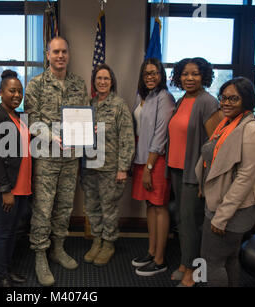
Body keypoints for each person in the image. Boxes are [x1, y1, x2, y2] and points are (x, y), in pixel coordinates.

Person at [24, 36, 89, 286]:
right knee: (43, 208)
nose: (60, 56)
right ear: (47, 54)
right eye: (56, 52)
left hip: (70, 158)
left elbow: (82, 114)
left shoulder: (78, 84)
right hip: (46, 158)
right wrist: (53, 137)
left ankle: (58, 248)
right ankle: (40, 254)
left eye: (64, 51)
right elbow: (32, 118)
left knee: (64, 206)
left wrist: (88, 130)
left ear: (68, 54)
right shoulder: (36, 85)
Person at [196, 77, 255, 287]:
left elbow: (245, 179)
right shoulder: (228, 123)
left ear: (246, 100)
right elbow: (217, 161)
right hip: (220, 200)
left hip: (234, 207)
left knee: (211, 260)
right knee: (228, 257)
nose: (226, 102)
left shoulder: (252, 131)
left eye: (233, 98)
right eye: (224, 97)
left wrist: (221, 217)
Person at [166, 57, 223, 287]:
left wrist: (204, 180)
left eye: (195, 74)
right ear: (179, 77)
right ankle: (184, 262)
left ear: (204, 77)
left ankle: (193, 271)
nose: (189, 78)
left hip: (194, 174)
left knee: (191, 223)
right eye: (185, 74)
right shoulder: (181, 100)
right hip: (177, 169)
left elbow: (214, 146)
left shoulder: (207, 102)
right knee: (181, 219)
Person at [80, 64, 135, 266]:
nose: (102, 82)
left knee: (108, 208)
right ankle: (97, 240)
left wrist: (123, 168)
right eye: (99, 78)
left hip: (111, 168)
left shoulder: (119, 105)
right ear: (94, 81)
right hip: (89, 166)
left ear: (112, 82)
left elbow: (127, 139)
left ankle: (109, 243)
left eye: (106, 79)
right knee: (92, 206)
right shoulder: (89, 105)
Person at [0, 70, 31, 287]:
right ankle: (1, 277)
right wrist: (5, 190)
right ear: (1, 93)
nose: (16, 95)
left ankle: (8, 269)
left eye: (19, 91)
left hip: (21, 186)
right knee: (3, 232)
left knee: (12, 231)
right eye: (12, 91)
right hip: (4, 187)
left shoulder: (18, 117)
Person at [130, 58, 175, 276]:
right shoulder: (142, 96)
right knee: (150, 205)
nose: (150, 76)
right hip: (141, 157)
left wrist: (149, 166)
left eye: (154, 73)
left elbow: (160, 134)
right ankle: (150, 251)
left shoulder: (165, 98)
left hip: (155, 160)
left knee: (160, 207)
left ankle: (160, 259)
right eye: (146, 73)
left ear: (161, 75)